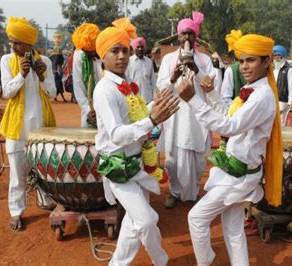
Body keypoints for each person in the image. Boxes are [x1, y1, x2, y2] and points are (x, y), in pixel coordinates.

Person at [176, 29, 283, 266]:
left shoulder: (262, 95)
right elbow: (229, 112)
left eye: (251, 60)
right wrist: (210, 92)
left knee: (196, 218)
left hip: (239, 175)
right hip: (237, 170)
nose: (244, 66)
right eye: (241, 61)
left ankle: (205, 263)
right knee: (234, 230)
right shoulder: (252, 91)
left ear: (266, 62)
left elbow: (231, 126)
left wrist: (193, 99)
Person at [93, 18, 180, 265]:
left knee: (134, 222)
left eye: (125, 50)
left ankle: (117, 263)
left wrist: (168, 91)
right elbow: (118, 135)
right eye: (115, 51)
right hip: (118, 168)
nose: (122, 56)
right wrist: (153, 119)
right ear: (103, 56)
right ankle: (161, 260)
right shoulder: (104, 90)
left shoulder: (127, 87)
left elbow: (141, 115)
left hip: (136, 164)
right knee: (146, 219)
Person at [0, 17, 57, 231]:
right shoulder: (7, 61)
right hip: (16, 128)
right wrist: (22, 74)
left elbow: (52, 93)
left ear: (28, 43)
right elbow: (6, 92)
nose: (12, 46)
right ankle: (16, 211)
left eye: (16, 42)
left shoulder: (46, 61)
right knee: (17, 173)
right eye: (11, 42)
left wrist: (42, 75)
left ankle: (45, 200)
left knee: (42, 168)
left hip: (41, 126)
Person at [156, 11, 217, 209]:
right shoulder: (168, 60)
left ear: (196, 36)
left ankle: (193, 194)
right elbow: (161, 88)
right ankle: (174, 192)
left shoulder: (205, 60)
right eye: (184, 33)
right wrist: (174, 77)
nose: (187, 37)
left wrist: (196, 69)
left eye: (191, 33)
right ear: (178, 35)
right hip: (175, 115)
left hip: (197, 117)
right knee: (173, 158)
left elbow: (211, 85)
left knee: (197, 158)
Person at [72, 23, 102, 127]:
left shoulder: (104, 54)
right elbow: (78, 84)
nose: (87, 54)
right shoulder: (80, 54)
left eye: (90, 52)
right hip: (89, 112)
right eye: (85, 51)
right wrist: (88, 110)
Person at [126, 37, 156, 103]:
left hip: (147, 99)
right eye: (138, 47)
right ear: (134, 48)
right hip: (134, 99)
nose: (140, 49)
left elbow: (153, 81)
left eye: (142, 47)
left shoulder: (149, 62)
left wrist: (155, 96)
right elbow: (126, 80)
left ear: (144, 48)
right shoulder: (129, 61)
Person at [273, 45, 292, 122]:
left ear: (283, 56)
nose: (276, 58)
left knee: (281, 122)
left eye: (278, 55)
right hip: (273, 100)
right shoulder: (273, 69)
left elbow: (291, 85)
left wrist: (290, 102)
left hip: (283, 100)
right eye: (275, 56)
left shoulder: (289, 69)